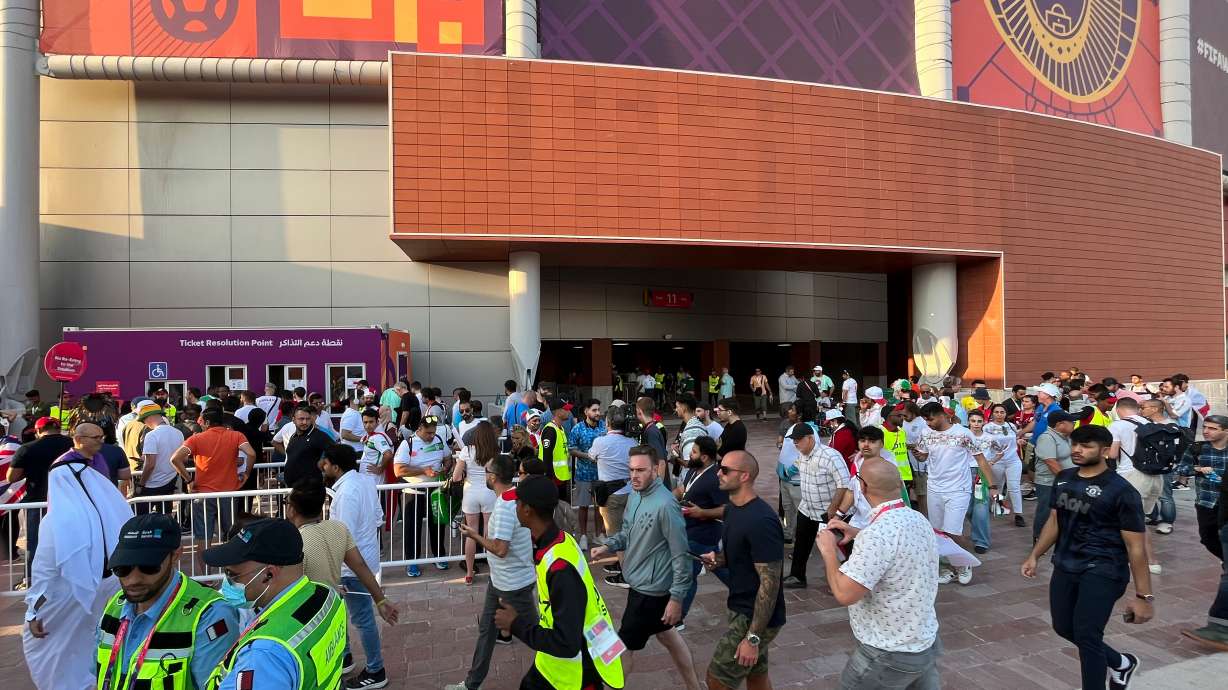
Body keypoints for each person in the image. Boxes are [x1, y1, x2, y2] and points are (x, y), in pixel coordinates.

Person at [1021, 425, 1153, 690]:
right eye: (1075, 445)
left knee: (1087, 634)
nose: (1077, 450)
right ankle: (1121, 663)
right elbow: (1055, 520)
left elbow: (1136, 547)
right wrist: (1035, 555)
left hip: (1104, 570)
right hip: (1066, 564)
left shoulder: (1122, 491)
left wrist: (1144, 596)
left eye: (1086, 446)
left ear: (1105, 451)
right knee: (1063, 627)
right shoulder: (1064, 478)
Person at [818, 458, 941, 689]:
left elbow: (844, 593)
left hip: (887, 652)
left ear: (862, 487)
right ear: (899, 484)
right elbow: (896, 548)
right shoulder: (918, 519)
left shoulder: (876, 535)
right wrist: (857, 532)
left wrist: (828, 552)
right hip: (923, 640)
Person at [493, 474, 625, 690]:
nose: (514, 507)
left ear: (527, 510)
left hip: (577, 671)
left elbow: (566, 643)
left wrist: (515, 624)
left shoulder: (559, 567)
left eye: (517, 503)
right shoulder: (562, 540)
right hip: (559, 661)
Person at [23, 441, 134, 690]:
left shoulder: (56, 521)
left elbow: (44, 572)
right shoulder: (112, 510)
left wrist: (34, 611)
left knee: (52, 652)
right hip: (110, 590)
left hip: (66, 595)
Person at [591, 446, 699, 690]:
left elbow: (681, 555)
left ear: (656, 469)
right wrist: (608, 545)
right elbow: (628, 533)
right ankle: (695, 687)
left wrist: (676, 599)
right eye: (631, 470)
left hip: (650, 591)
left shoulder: (666, 505)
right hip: (640, 582)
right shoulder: (635, 495)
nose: (634, 475)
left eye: (640, 470)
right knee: (667, 635)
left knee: (623, 647)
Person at [95, 513, 240, 690]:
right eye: (122, 568)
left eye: (148, 567)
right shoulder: (114, 607)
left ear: (176, 555)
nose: (133, 579)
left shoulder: (210, 616)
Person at [202, 518, 348, 689]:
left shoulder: (262, 655)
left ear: (268, 574)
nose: (226, 582)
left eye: (232, 575)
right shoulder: (326, 595)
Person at [447, 453, 538, 690]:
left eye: (486, 471)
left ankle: (570, 667)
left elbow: (500, 549)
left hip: (514, 584)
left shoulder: (506, 506)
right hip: (502, 581)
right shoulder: (513, 497)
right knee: (487, 630)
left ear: (494, 477)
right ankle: (472, 684)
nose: (484, 474)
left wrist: (474, 535)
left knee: (539, 636)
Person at [698, 451, 785, 690]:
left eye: (725, 470)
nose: (718, 473)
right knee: (756, 676)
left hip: (754, 617)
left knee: (717, 679)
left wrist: (753, 638)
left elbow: (770, 584)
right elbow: (742, 554)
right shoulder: (732, 509)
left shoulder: (761, 521)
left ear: (744, 476)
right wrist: (719, 560)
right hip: (741, 608)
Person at [911, 403, 997, 585]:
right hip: (934, 488)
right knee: (938, 532)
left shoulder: (963, 433)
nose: (928, 423)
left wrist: (993, 485)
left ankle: (964, 563)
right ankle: (944, 568)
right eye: (926, 420)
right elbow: (925, 455)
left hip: (959, 489)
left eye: (931, 419)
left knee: (952, 531)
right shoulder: (926, 433)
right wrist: (919, 456)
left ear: (942, 415)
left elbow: (981, 459)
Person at [171, 408, 255, 551]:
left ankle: (204, 566)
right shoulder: (236, 435)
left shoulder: (196, 438)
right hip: (229, 493)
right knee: (231, 534)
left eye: (202, 421)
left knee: (203, 536)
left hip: (202, 495)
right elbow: (251, 454)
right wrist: (246, 473)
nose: (200, 424)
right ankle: (229, 564)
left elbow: (175, 459)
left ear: (207, 422)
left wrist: (189, 480)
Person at [782, 423, 850, 589]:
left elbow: (844, 484)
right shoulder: (802, 455)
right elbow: (796, 467)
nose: (795, 443)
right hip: (807, 508)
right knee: (801, 544)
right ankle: (797, 576)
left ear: (810, 438)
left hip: (828, 511)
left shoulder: (830, 456)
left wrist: (833, 508)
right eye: (794, 440)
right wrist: (786, 472)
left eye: (798, 440)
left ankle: (847, 579)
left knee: (841, 545)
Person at [7, 416, 74, 583]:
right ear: (58, 428)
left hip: (38, 501)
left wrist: (27, 471)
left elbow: (11, 477)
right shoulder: (73, 445)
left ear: (37, 430)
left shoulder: (28, 448)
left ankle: (31, 578)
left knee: (35, 541)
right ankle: (67, 576)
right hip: (69, 500)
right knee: (69, 539)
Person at [676, 435, 727, 622]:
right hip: (690, 531)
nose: (690, 454)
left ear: (704, 457)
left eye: (694, 451)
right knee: (718, 568)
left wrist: (702, 512)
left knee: (687, 575)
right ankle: (748, 590)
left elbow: (726, 509)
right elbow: (682, 490)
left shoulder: (715, 478)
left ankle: (678, 618)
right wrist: (664, 500)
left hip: (703, 534)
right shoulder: (694, 470)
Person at [394, 414, 452, 577]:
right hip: (413, 491)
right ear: (420, 429)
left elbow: (448, 458)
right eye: (428, 433)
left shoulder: (439, 439)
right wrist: (423, 471)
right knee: (412, 527)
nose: (431, 436)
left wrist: (445, 469)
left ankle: (439, 555)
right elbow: (398, 470)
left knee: (438, 524)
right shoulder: (408, 443)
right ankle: (412, 561)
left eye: (434, 432)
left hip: (435, 490)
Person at [590, 405, 636, 586]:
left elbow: (592, 456)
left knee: (616, 536)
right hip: (631, 493)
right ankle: (624, 565)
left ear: (607, 422)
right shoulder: (632, 442)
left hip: (611, 496)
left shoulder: (600, 442)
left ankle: (626, 575)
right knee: (629, 533)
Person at [1176, 414, 1228, 561]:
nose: (1206, 431)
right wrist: (1197, 469)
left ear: (1226, 431)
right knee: (1207, 538)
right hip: (1206, 502)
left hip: (1226, 502)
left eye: (1212, 428)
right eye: (1204, 427)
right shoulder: (1197, 448)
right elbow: (1181, 469)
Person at [455, 420, 500, 583]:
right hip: (489, 492)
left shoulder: (466, 450)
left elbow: (456, 476)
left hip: (470, 493)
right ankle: (493, 572)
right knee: (489, 532)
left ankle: (469, 572)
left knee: (471, 533)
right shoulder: (495, 452)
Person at [568, 399, 606, 550]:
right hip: (583, 474)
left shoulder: (603, 426)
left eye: (598, 410)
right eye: (594, 410)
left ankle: (598, 534)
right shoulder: (577, 428)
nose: (598, 413)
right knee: (583, 506)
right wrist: (587, 456)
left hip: (601, 474)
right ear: (586, 411)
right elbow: (571, 449)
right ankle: (583, 535)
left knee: (599, 506)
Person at [1033, 410, 1077, 540]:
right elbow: (1051, 462)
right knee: (1046, 512)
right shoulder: (1047, 438)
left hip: (1065, 481)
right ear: (1060, 424)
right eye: (1072, 422)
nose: (1074, 424)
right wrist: (1067, 481)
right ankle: (1039, 538)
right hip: (1049, 482)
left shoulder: (1067, 437)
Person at [134, 401, 184, 514]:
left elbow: (150, 464)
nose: (144, 423)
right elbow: (183, 459)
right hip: (170, 482)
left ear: (149, 417)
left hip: (151, 484)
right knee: (165, 517)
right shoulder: (178, 433)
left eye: (143, 420)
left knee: (140, 517)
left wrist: (141, 484)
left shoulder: (151, 435)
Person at [985, 403, 1025, 527]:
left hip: (1013, 460)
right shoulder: (987, 428)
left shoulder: (1011, 426)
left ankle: (1018, 514)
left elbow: (1014, 439)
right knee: (998, 486)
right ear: (992, 414)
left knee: (1014, 487)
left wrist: (1019, 441)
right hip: (996, 461)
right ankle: (997, 504)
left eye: (1002, 412)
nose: (999, 415)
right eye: (996, 412)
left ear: (1006, 414)